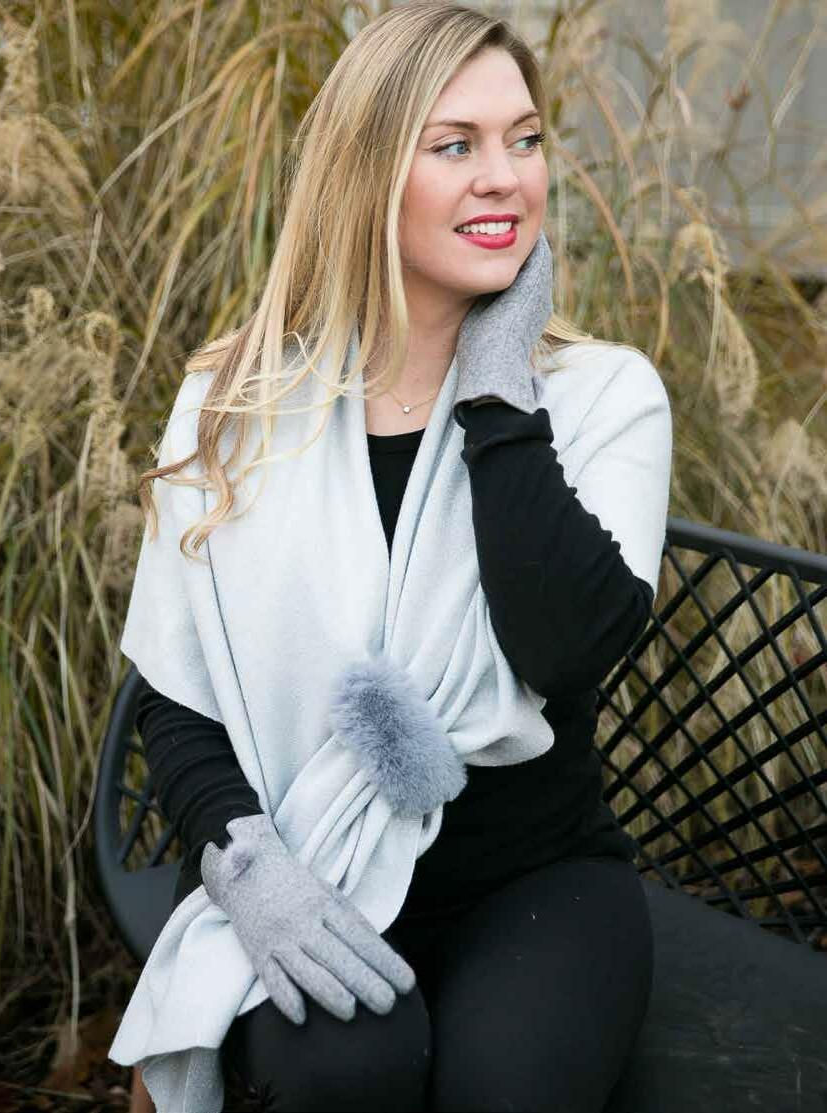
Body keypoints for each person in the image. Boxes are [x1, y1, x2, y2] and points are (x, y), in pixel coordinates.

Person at [111, 4, 672, 1110]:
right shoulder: (237, 405)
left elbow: (566, 648)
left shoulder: (603, 396)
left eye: (524, 139)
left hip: (534, 879)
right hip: (298, 863)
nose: (504, 176)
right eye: (454, 145)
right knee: (343, 1074)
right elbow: (176, 701)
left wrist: (498, 390)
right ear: (367, 173)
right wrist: (250, 873)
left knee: (505, 1091)